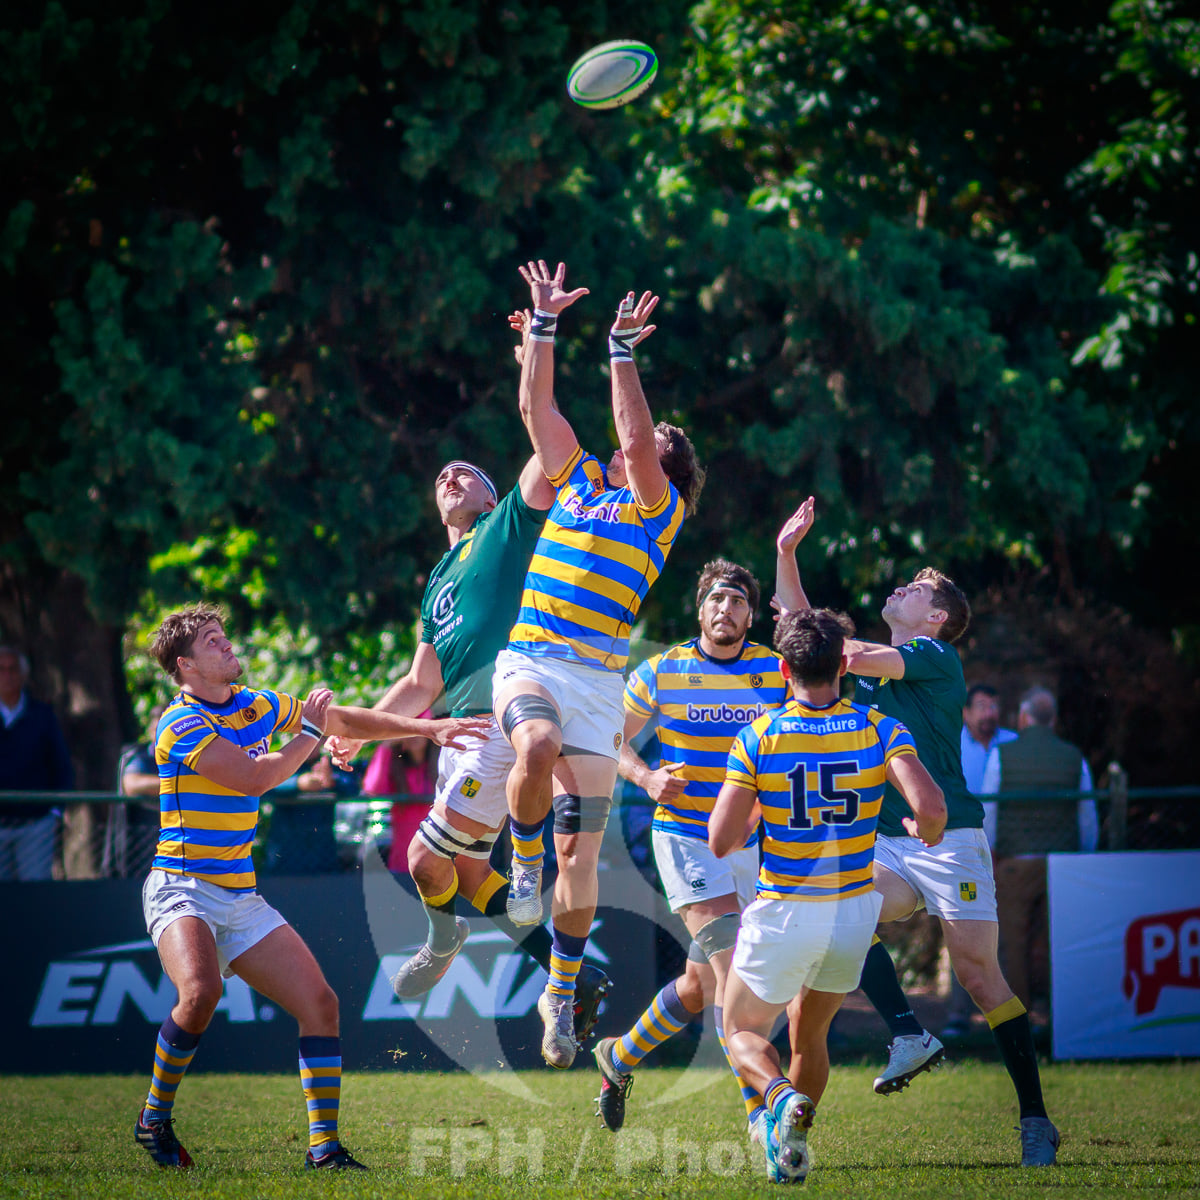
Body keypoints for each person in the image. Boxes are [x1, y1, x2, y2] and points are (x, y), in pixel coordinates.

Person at [328, 313, 610, 1040]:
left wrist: (532, 356)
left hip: (503, 721)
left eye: (468, 474)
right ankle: (567, 969)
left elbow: (543, 439)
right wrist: (360, 730)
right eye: (441, 476)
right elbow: (421, 683)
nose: (450, 475)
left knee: (426, 857)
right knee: (457, 872)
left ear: (491, 498)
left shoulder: (512, 526)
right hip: (456, 735)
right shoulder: (437, 581)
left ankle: (449, 941)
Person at [133, 604, 488, 1172]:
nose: (227, 647)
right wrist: (313, 733)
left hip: (239, 894)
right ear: (186, 665)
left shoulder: (255, 703)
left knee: (321, 1005)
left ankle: (324, 1148)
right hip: (181, 887)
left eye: (224, 637)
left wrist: (429, 727)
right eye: (212, 642)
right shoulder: (180, 723)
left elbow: (346, 720)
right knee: (200, 994)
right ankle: (153, 1119)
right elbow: (257, 777)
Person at [776, 497, 1061, 1168]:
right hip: (884, 843)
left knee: (979, 978)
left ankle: (1036, 1121)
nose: (900, 588)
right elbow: (812, 646)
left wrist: (805, 620)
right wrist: (787, 556)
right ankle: (907, 1033)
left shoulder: (934, 656)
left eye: (917, 589)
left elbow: (821, 646)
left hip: (949, 838)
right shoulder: (867, 666)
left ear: (935, 617)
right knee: (838, 917)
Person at [493, 260, 705, 1069]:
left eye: (660, 445)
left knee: (581, 861)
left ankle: (560, 994)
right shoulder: (576, 476)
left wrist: (622, 351)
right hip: (534, 662)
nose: (645, 445)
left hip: (596, 683)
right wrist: (544, 326)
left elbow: (632, 433)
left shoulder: (661, 512)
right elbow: (534, 406)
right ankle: (520, 857)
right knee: (534, 749)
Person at [711, 608, 946, 1183]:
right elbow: (933, 812)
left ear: (785, 668)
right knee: (808, 1033)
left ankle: (780, 1098)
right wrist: (923, 833)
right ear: (844, 663)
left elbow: (721, 840)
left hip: (786, 908)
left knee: (737, 1029)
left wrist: (760, 812)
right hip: (851, 915)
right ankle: (790, 1154)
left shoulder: (759, 735)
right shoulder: (881, 727)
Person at [593, 559, 788, 1137]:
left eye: (736, 602)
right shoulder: (662, 670)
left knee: (701, 987)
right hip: (684, 835)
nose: (724, 610)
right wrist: (647, 778)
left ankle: (619, 1056)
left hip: (753, 842)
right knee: (735, 977)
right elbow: (611, 736)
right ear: (700, 609)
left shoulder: (774, 672)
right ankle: (761, 1113)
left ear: (751, 616)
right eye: (716, 600)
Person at [981, 686, 1098, 1014]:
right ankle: (1056, 1015)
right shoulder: (1074, 757)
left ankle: (1020, 1017)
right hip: (1063, 865)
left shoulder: (1002, 756)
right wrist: (1083, 857)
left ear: (1022, 717)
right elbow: (1087, 816)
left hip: (1015, 863)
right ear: (1054, 720)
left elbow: (990, 810)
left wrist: (989, 852)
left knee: (1014, 944)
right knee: (1056, 941)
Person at [942, 684, 1018, 1038]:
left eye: (994, 706)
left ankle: (1011, 1017)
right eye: (982, 706)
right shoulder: (949, 744)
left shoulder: (1013, 743)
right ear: (966, 712)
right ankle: (958, 1017)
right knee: (964, 934)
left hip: (1009, 856)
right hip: (962, 856)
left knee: (1010, 936)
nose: (989, 713)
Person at [0, 645, 73, 880]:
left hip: (36, 825)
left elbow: (60, 764)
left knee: (34, 896)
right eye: (1, 670)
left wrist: (55, 811)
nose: (7, 676)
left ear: (23, 675)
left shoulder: (41, 714)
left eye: (12, 669)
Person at [262, 746, 358, 875]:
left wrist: (332, 781)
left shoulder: (330, 765)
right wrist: (297, 784)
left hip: (322, 854)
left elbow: (353, 786)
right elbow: (263, 786)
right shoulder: (282, 762)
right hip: (285, 854)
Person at [359, 723, 436, 874]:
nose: (414, 736)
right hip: (403, 862)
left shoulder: (442, 763)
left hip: (439, 861)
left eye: (419, 729)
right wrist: (386, 745)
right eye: (409, 730)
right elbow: (372, 788)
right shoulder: (397, 767)